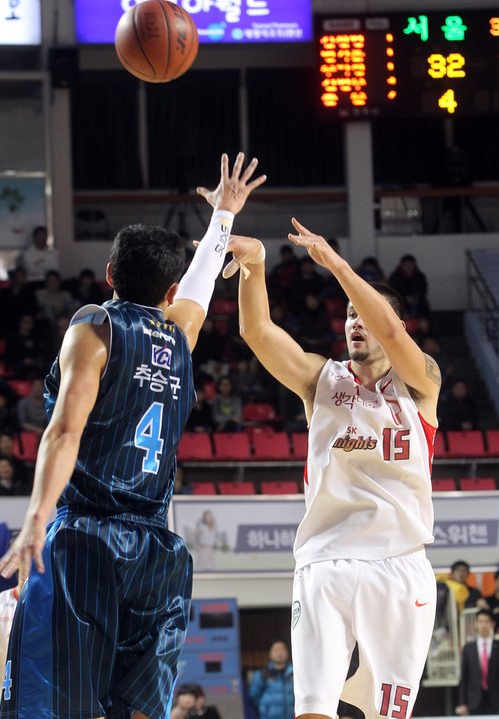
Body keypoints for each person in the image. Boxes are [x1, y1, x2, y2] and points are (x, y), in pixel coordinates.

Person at [0, 153, 266, 719]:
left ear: (109, 275)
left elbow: (65, 431)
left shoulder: (94, 328)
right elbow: (198, 292)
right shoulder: (180, 336)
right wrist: (222, 217)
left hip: (86, 542)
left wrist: (34, 520)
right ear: (169, 292)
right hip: (157, 552)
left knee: (53, 705)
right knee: (139, 710)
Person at [214, 217, 441, 719]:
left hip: (400, 565)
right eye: (350, 315)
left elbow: (387, 327)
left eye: (366, 314)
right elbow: (257, 332)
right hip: (325, 562)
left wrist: (337, 264)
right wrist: (256, 267)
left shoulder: (424, 383)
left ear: (398, 325)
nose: (356, 322)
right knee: (312, 709)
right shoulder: (322, 379)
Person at [455, 609, 499, 715]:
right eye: (480, 621)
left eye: (487, 621)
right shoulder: (468, 648)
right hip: (474, 700)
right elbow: (464, 677)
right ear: (476, 624)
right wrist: (463, 703)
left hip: (495, 700)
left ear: (492, 624)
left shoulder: (497, 646)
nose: (484, 625)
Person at [248, 641, 294, 719]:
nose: (279, 653)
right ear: (270, 653)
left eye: (283, 649)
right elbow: (253, 698)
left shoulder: (294, 674)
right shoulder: (262, 675)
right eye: (276, 650)